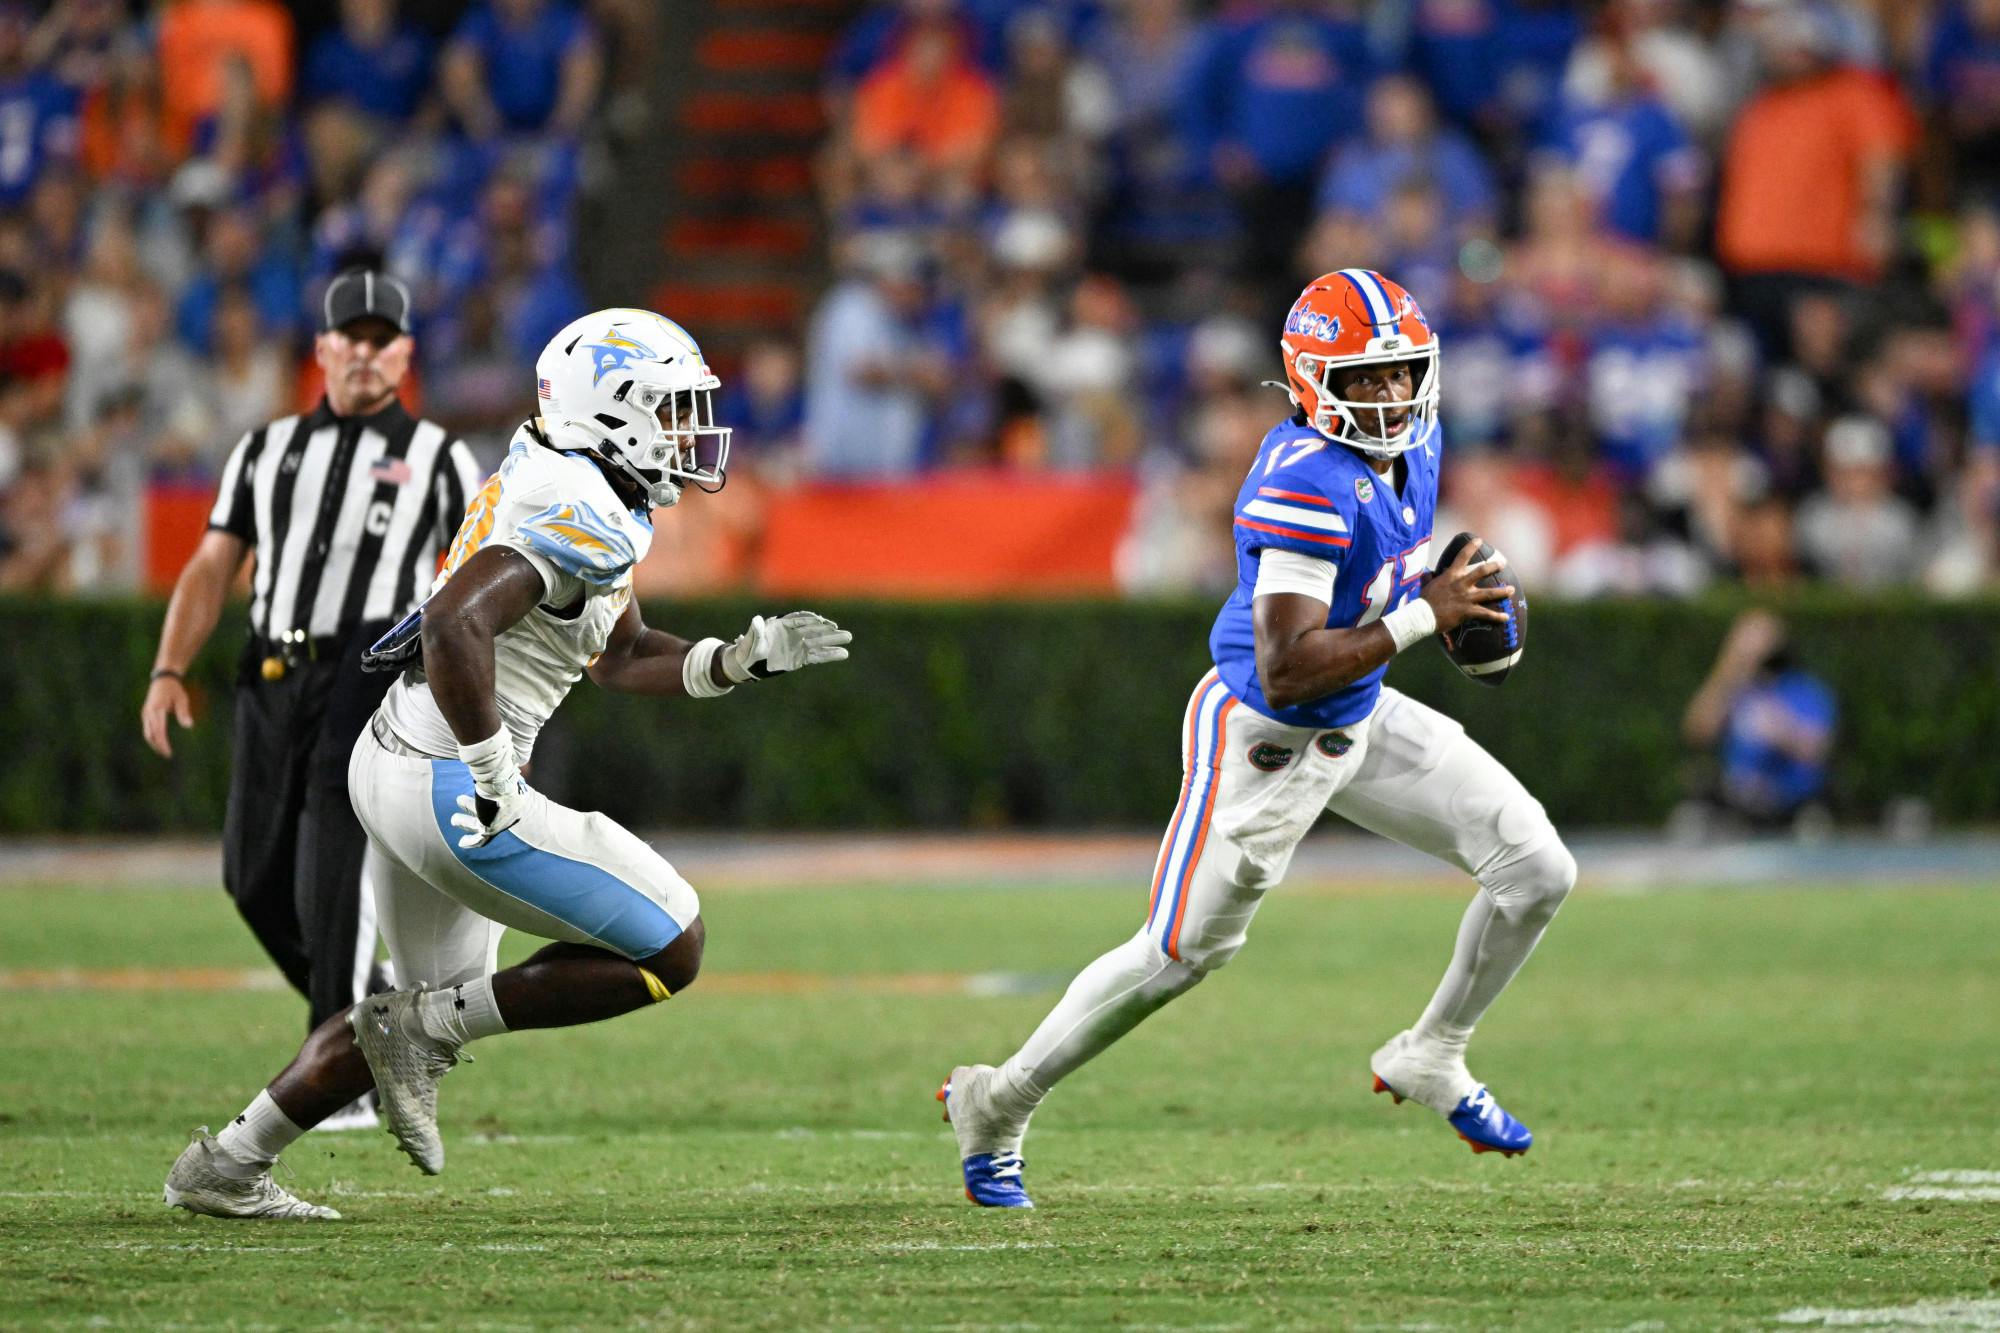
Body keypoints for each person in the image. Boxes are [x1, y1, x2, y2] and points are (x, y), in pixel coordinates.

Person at [163, 308, 851, 1220]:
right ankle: (423, 1031)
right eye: (673, 409)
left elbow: (618, 651)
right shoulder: (580, 505)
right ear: (615, 411)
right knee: (673, 942)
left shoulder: (577, 477)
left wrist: (734, 659)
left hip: (399, 755)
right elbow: (455, 620)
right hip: (456, 779)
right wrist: (493, 775)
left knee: (417, 1009)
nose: (690, 432)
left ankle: (228, 1162)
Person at [939, 270, 1578, 1207]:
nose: (1391, 396)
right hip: (1265, 735)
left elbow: (1385, 584)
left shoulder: (1418, 442)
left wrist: (1449, 597)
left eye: (1401, 373)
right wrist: (1421, 617)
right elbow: (1286, 664)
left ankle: (1432, 1050)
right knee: (1178, 955)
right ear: (1314, 380)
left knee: (1536, 868)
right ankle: (997, 1101)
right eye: (1365, 380)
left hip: (1359, 711)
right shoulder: (1304, 480)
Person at [141, 270, 482, 1130]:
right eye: (350, 338)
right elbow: (214, 563)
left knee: (334, 872)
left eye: (382, 340)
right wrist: (168, 668)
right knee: (250, 877)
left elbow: (473, 584)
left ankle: (343, 1077)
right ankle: (375, 1027)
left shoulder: (442, 458)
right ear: (323, 348)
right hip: (271, 670)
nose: (365, 354)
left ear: (404, 353)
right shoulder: (266, 449)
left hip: (370, 674)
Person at [1678, 609, 1835, 831]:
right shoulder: (1734, 688)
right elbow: (1697, 732)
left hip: (1792, 801)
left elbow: (1818, 750)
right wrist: (1730, 666)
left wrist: (1783, 732)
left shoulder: (1804, 689)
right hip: (1739, 799)